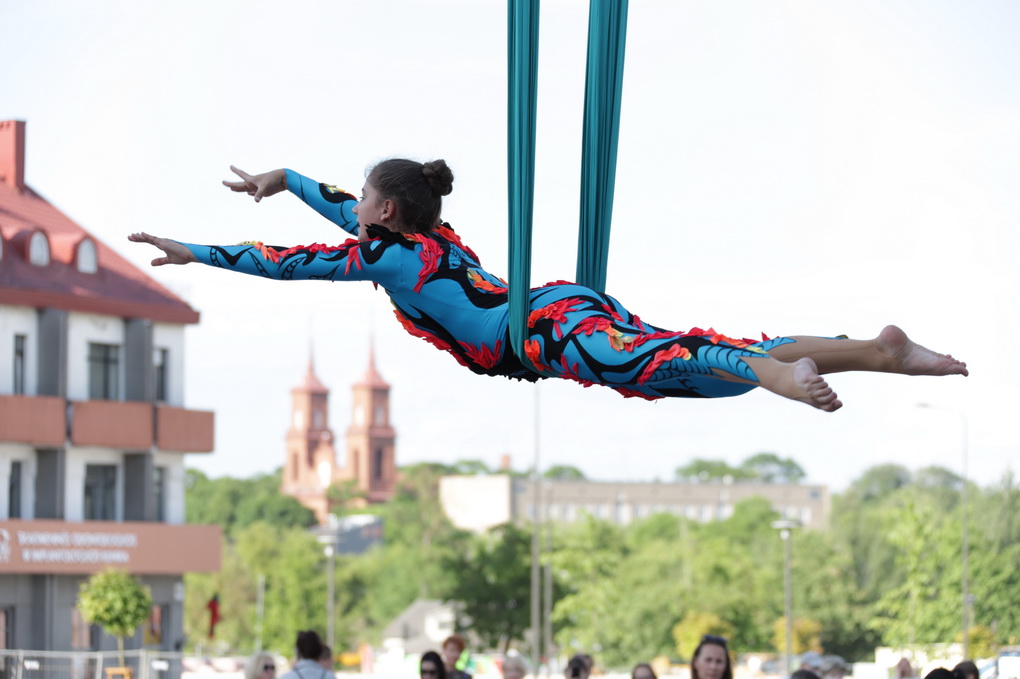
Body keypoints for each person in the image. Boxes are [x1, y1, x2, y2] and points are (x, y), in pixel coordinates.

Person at [129, 161, 968, 411]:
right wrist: (283, 178)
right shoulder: (428, 236)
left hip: (540, 335)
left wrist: (194, 251)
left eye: (363, 206)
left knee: (674, 362)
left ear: (385, 213)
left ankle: (777, 374)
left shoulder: (383, 256)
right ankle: (874, 352)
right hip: (558, 305)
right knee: (679, 358)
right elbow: (336, 201)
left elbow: (284, 262)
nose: (353, 215)